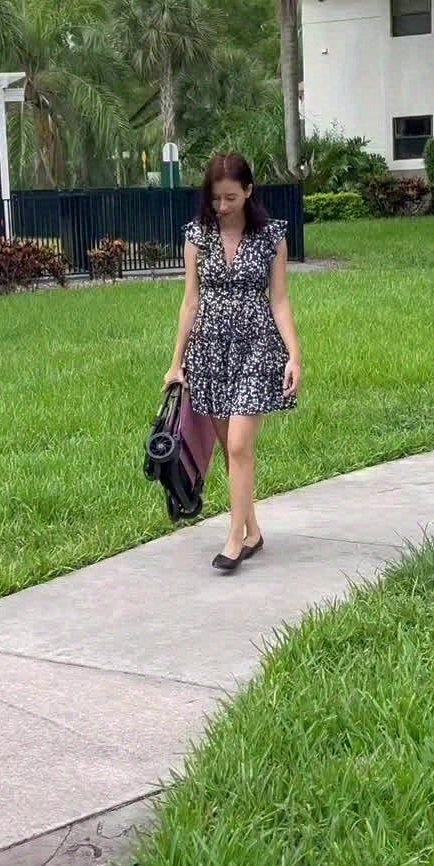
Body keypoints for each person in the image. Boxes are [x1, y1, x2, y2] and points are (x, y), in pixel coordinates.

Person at [164, 153, 302, 573]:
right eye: (215, 198)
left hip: (257, 346)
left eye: (230, 198)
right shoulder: (196, 236)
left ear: (248, 192)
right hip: (209, 350)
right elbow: (190, 302)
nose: (221, 206)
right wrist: (176, 363)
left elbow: (279, 301)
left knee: (240, 445)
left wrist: (294, 355)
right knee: (231, 451)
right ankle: (253, 531)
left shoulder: (272, 236)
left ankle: (233, 539)